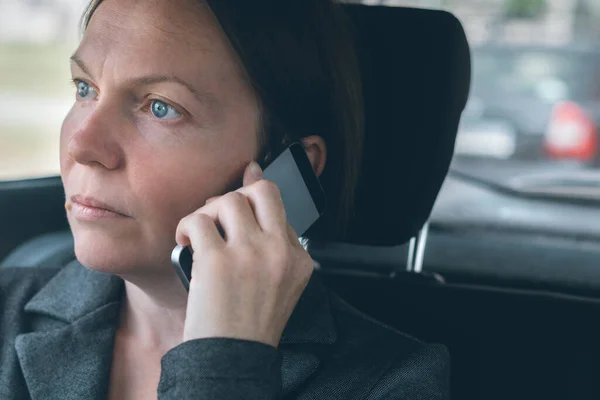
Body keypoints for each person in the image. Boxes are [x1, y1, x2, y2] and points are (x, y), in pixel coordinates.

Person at [0, 0, 449, 398]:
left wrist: (225, 363)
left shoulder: (392, 383)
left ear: (289, 166)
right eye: (85, 89)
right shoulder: (5, 307)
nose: (81, 145)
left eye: (161, 107)